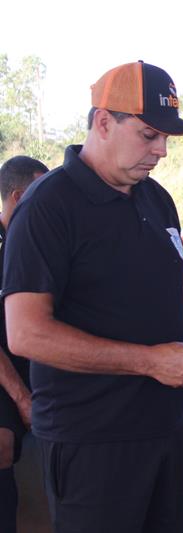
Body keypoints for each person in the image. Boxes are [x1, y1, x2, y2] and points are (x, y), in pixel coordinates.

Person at [1, 61, 183, 533]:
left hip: (164, 425)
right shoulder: (48, 207)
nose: (162, 151)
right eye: (149, 135)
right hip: (91, 437)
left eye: (167, 138)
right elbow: (26, 334)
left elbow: (171, 291)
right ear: (104, 122)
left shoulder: (155, 197)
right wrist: (150, 361)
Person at [0, 155, 48, 532]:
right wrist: (21, 397)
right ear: (18, 197)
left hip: (42, 361)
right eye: (39, 193)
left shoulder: (44, 239)